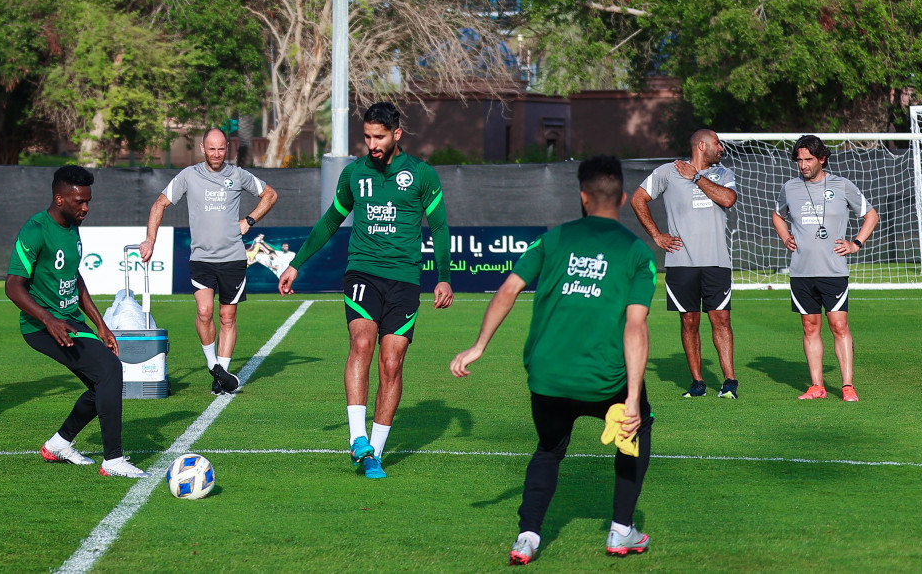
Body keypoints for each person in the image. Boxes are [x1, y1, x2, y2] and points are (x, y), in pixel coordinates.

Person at [451, 155, 656, 563]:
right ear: (618, 200)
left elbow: (508, 289)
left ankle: (526, 537)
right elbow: (636, 326)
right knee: (637, 429)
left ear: (582, 197)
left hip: (547, 376)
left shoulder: (553, 239)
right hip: (605, 380)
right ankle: (619, 531)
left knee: (548, 450)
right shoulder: (636, 253)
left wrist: (478, 347)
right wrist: (632, 397)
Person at [278, 101, 452, 480]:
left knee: (392, 363)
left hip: (405, 279)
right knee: (361, 344)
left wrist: (444, 275)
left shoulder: (422, 175)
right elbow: (330, 221)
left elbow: (439, 228)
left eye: (379, 136)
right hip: (362, 272)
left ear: (397, 135)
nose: (372, 144)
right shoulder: (354, 174)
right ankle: (358, 438)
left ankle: (374, 453)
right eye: (367, 136)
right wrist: (296, 263)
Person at [5, 165, 143, 477]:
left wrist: (100, 324)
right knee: (110, 370)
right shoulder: (36, 230)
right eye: (80, 201)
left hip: (70, 321)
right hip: (42, 327)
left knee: (102, 385)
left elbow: (74, 276)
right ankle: (113, 461)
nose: (86, 207)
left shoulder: (71, 227)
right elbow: (13, 285)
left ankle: (58, 444)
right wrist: (49, 320)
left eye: (88, 201)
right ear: (59, 199)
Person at [140, 128, 277, 395]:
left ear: (228, 148)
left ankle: (221, 376)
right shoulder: (189, 176)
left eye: (221, 149)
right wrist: (150, 240)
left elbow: (270, 194)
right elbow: (159, 204)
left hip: (233, 259)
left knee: (228, 316)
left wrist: (249, 221)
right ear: (202, 148)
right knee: (204, 312)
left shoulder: (237, 175)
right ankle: (214, 366)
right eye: (211, 149)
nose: (216, 154)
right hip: (201, 258)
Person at [630, 128, 739, 399]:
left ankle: (729, 382)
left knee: (721, 319)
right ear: (702, 145)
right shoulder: (668, 171)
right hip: (681, 262)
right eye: (717, 144)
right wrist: (657, 235)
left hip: (716, 261)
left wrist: (698, 178)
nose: (721, 148)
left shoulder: (723, 174)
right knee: (689, 320)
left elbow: (728, 199)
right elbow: (637, 198)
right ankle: (698, 383)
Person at [772, 134, 879, 402]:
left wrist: (856, 243)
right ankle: (817, 386)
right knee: (810, 327)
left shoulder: (842, 186)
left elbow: (871, 215)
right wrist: (785, 237)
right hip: (801, 272)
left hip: (833, 270)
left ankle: (847, 386)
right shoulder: (790, 187)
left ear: (822, 158)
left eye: (808, 159)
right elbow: (777, 214)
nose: (803, 165)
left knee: (839, 325)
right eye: (799, 160)